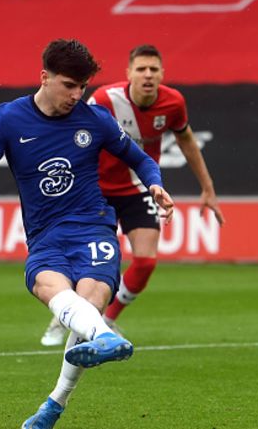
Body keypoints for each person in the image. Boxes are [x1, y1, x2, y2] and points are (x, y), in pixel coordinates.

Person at [0, 39, 174, 429]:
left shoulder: (95, 119)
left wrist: (154, 183)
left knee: (89, 302)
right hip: (45, 235)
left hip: (94, 227)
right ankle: (62, 394)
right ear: (44, 77)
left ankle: (62, 394)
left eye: (82, 87)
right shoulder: (7, 119)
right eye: (69, 85)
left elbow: (140, 159)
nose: (76, 95)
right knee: (50, 289)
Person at [40, 44, 225, 346]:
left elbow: (187, 141)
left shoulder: (173, 103)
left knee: (146, 262)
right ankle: (65, 314)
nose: (147, 75)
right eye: (141, 69)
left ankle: (107, 319)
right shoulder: (105, 99)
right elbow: (75, 134)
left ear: (162, 74)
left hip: (138, 189)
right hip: (97, 190)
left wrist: (207, 187)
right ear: (129, 74)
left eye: (153, 69)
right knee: (87, 262)